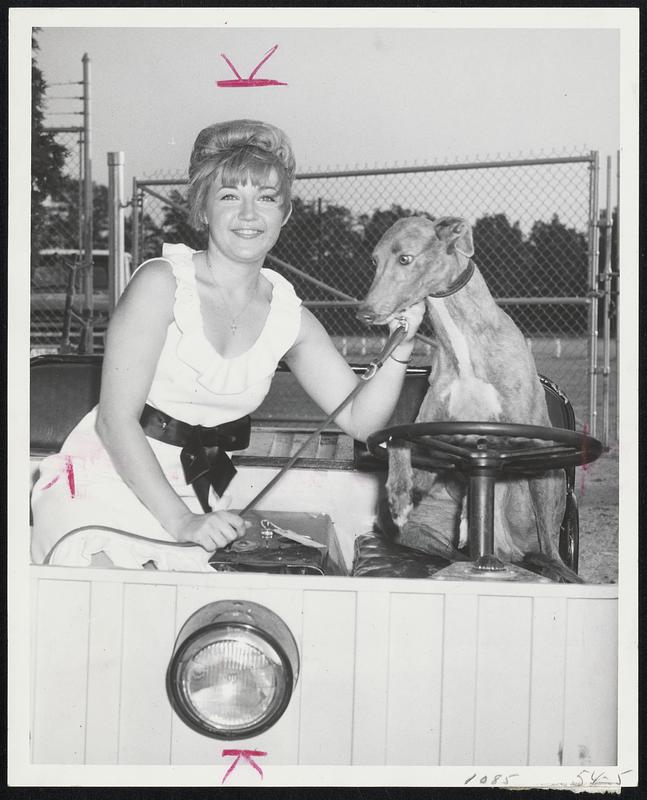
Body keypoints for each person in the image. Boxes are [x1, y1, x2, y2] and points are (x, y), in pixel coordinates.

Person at [31, 119, 424, 566]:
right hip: (104, 483)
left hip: (197, 498)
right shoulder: (161, 284)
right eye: (230, 196)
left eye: (267, 198)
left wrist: (403, 344)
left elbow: (361, 420)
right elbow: (115, 422)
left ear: (285, 213)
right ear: (202, 209)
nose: (250, 215)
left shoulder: (287, 316)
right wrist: (181, 522)